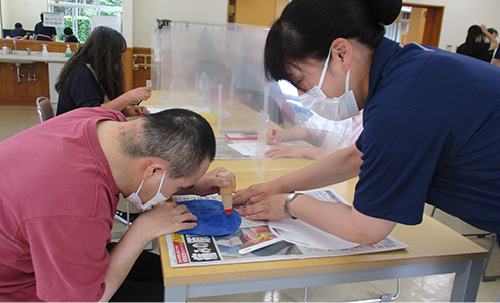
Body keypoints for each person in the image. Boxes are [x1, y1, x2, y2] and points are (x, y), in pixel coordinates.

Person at [233, 0, 500, 245]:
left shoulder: (399, 104)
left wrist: (290, 204)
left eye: (301, 82)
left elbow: (365, 229)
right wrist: (275, 186)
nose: (303, 96)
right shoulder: (405, 69)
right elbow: (356, 157)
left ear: (340, 53)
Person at [0, 106, 236, 301]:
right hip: (19, 287)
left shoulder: (107, 124)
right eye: (176, 186)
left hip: (43, 245)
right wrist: (143, 229)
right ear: (153, 170)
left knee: (164, 273)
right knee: (163, 297)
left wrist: (192, 184)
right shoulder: (77, 206)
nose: (174, 193)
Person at [56, 26, 150, 117]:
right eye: (118, 54)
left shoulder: (96, 70)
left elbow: (105, 103)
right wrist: (128, 97)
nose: (120, 59)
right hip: (72, 130)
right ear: (105, 52)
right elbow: (95, 113)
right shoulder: (81, 75)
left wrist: (127, 110)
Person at [265, 111, 363, 160]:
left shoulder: (372, 120)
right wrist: (281, 135)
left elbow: (352, 158)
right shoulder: (341, 107)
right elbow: (309, 128)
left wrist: (302, 150)